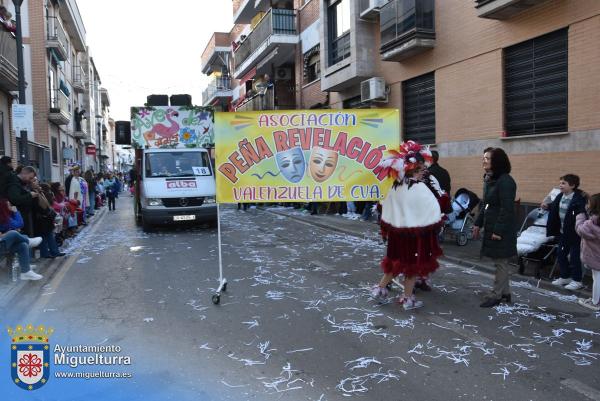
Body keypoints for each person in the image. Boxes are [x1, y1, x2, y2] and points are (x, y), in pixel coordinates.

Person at [371, 141, 444, 310]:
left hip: (396, 234)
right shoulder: (419, 188)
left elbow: (384, 207)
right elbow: (434, 209)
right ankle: (408, 298)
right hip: (414, 236)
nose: (423, 173)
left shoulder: (395, 187)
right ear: (415, 169)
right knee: (411, 267)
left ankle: (380, 289)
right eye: (421, 169)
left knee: (394, 263)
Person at [473, 147, 518, 308]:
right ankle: (505, 293)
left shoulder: (505, 181)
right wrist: (478, 222)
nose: (484, 160)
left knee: (501, 262)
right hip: (492, 225)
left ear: (497, 162)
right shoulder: (490, 178)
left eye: (488, 158)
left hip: (502, 229)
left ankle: (496, 294)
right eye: (483, 157)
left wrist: (498, 231)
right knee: (500, 261)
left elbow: (507, 209)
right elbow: (485, 204)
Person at [544, 174, 587, 290]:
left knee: (574, 257)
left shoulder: (578, 199)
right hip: (563, 233)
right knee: (561, 254)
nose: (560, 185)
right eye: (560, 183)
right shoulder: (560, 196)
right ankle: (565, 276)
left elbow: (582, 214)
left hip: (575, 234)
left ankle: (577, 280)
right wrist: (547, 206)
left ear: (572, 186)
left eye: (563, 183)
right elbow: (554, 206)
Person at [575, 193, 600, 310]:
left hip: (595, 257)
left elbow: (580, 230)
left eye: (589, 203)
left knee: (597, 278)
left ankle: (595, 302)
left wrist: (580, 216)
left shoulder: (591, 223)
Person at [35, 183, 65, 259]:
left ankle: (53, 252)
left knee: (49, 235)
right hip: (41, 218)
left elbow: (48, 205)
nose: (37, 184)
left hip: (46, 217)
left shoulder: (42, 193)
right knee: (44, 236)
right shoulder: (36, 194)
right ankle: (47, 253)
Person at [6, 166, 38, 236]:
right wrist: (30, 195)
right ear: (24, 173)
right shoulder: (14, 183)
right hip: (19, 215)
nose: (31, 180)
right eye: (30, 178)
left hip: (24, 215)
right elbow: (15, 199)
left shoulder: (23, 183)